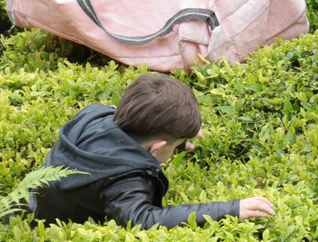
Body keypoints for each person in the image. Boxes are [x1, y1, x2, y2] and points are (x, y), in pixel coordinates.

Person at [28, 75, 274, 229]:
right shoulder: (122, 179)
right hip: (38, 226)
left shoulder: (96, 115)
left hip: (33, 198)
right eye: (175, 144)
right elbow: (143, 219)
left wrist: (176, 134)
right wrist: (230, 209)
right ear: (155, 149)